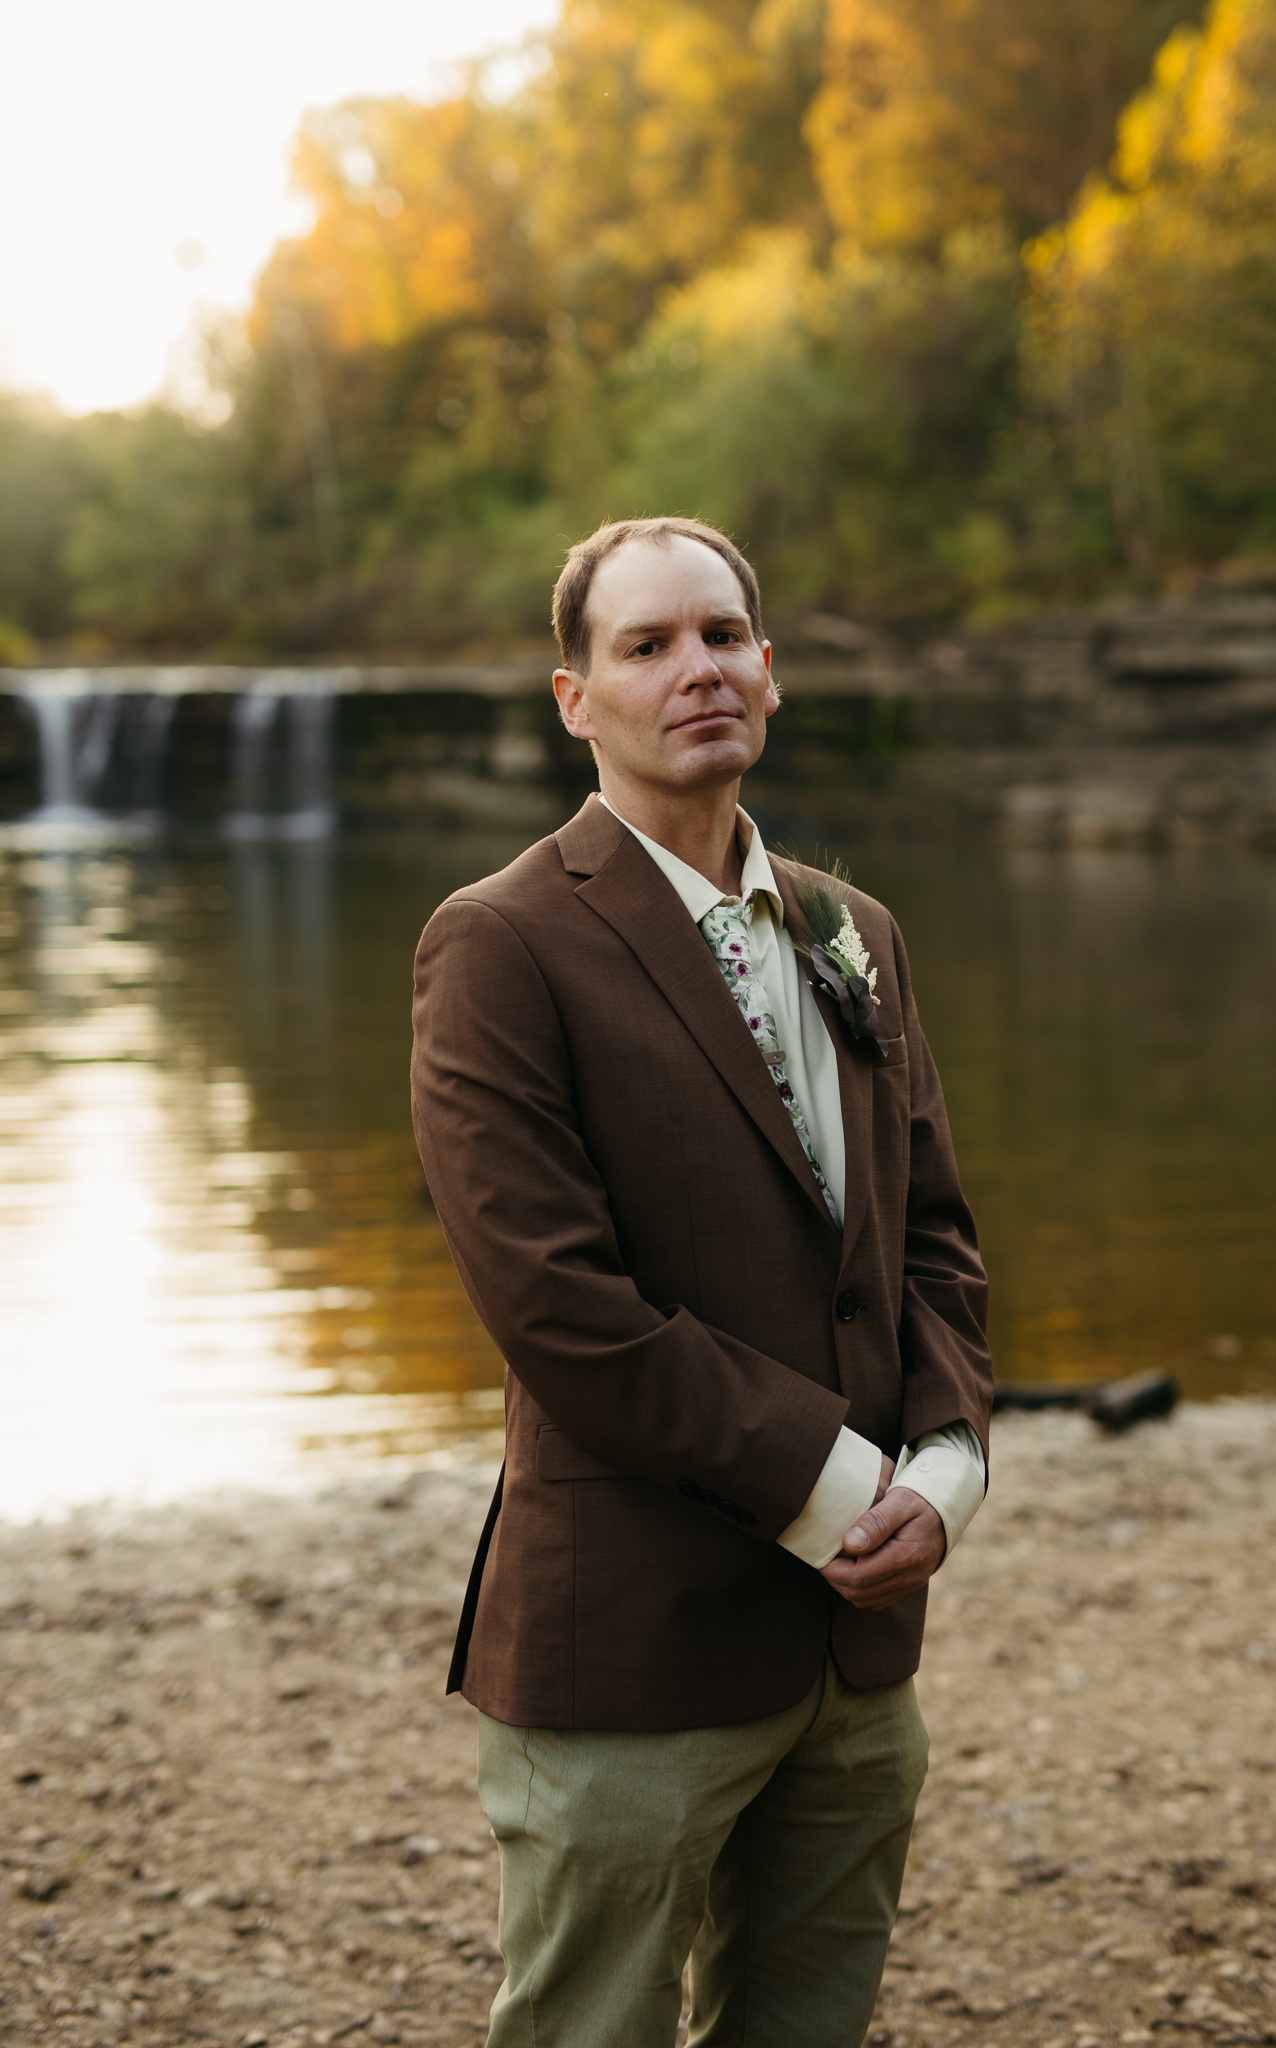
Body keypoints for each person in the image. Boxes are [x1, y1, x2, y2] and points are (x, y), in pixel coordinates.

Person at [410, 516, 992, 2048]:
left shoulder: (852, 931)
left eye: (723, 636)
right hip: (636, 1646)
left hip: (854, 1653)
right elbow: (558, 1308)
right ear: (573, 699)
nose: (697, 671)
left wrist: (945, 1470)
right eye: (647, 645)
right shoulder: (500, 943)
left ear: (770, 673)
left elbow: (930, 1238)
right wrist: (836, 1480)